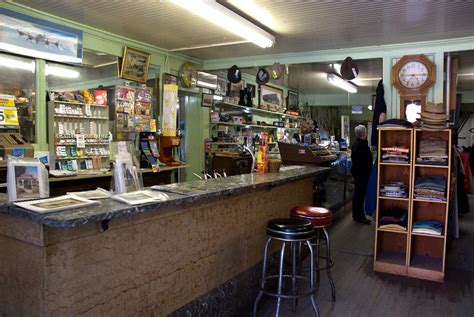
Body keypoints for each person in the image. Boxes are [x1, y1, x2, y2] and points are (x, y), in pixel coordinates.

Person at [351, 125, 373, 224]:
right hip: (363, 174)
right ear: (364, 133)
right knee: (361, 195)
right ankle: (360, 216)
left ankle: (356, 215)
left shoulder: (355, 144)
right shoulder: (363, 146)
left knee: (357, 195)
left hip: (357, 173)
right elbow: (366, 162)